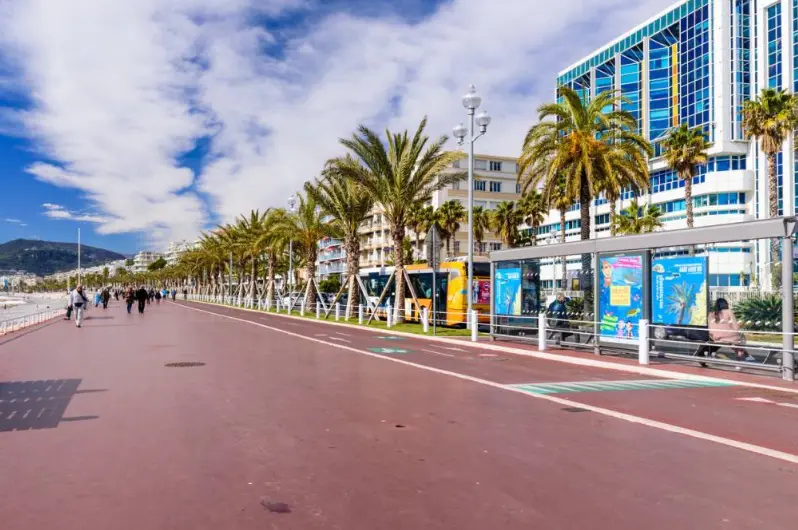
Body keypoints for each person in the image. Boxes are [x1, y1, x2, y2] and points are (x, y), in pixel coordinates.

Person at [708, 298, 755, 365]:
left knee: (733, 340)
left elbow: (710, 329)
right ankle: (743, 357)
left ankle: (747, 355)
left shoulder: (711, 314)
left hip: (716, 338)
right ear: (726, 304)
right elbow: (736, 327)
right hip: (730, 338)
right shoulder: (728, 311)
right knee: (739, 338)